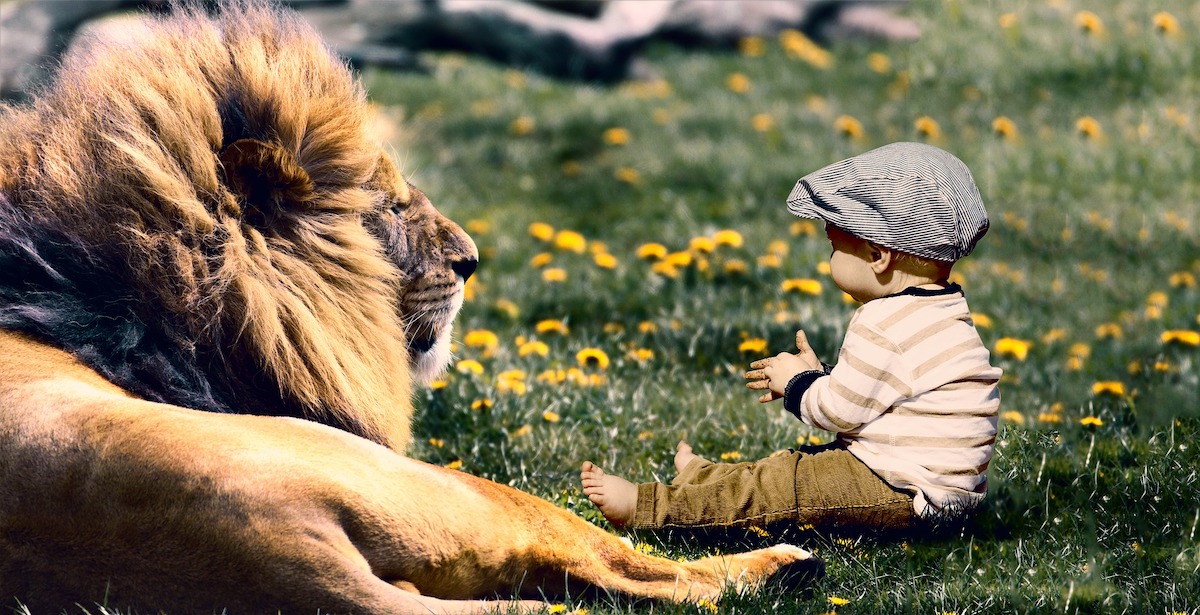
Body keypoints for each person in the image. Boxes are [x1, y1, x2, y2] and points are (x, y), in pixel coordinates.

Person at [581, 142, 1002, 533]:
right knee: (794, 466)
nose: (829, 258)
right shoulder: (944, 310)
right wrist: (824, 375)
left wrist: (797, 383)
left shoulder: (882, 322)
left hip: (901, 491)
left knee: (782, 490)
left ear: (878, 256)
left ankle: (648, 507)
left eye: (835, 246)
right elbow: (885, 393)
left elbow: (839, 413)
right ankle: (705, 479)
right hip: (946, 495)